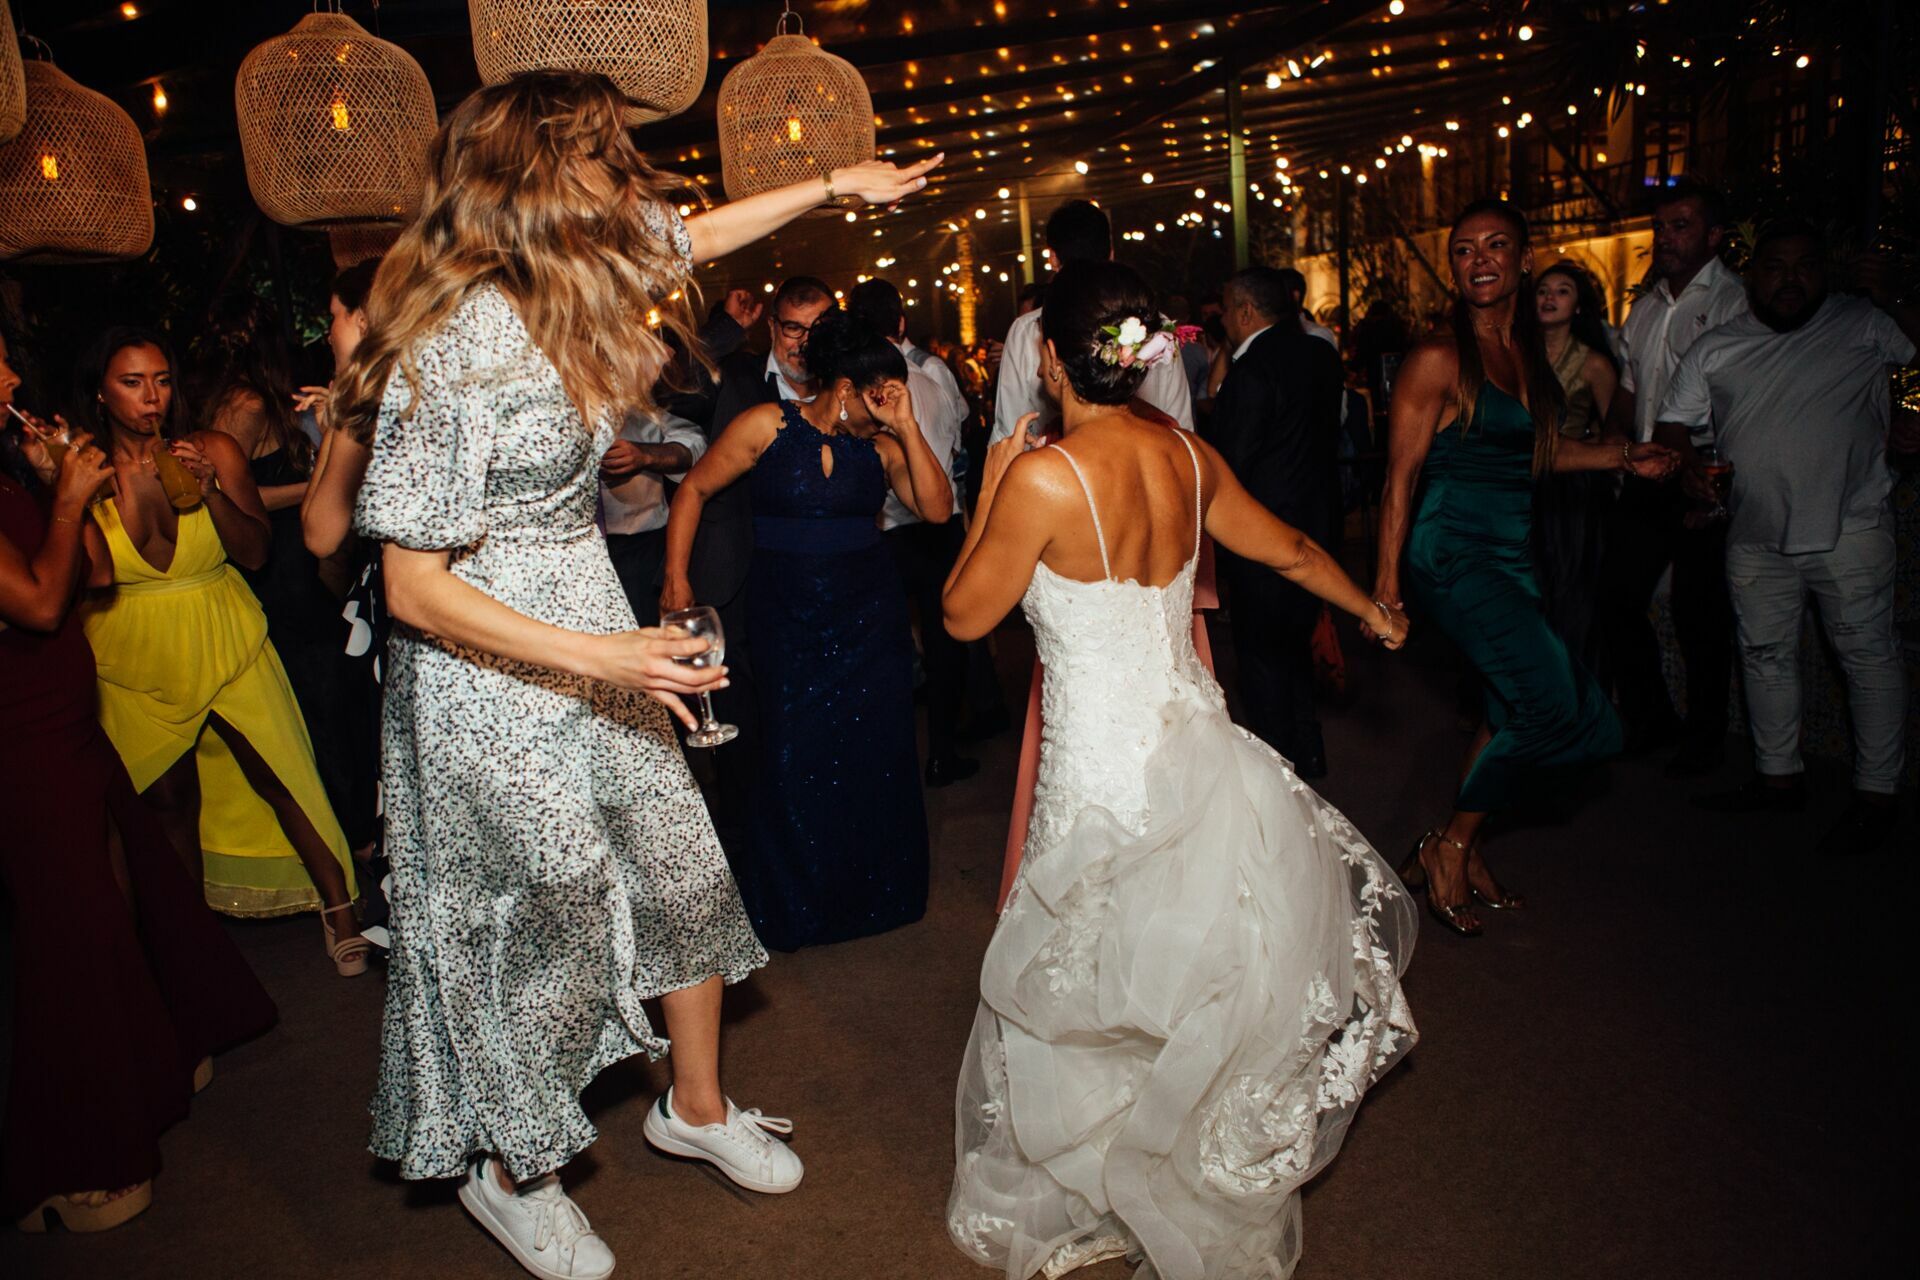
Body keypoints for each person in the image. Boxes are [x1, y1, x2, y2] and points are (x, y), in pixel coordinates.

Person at [335, 70, 940, 1278]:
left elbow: (698, 231)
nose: (632, 180)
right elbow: (408, 585)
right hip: (483, 661)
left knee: (679, 860)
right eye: (607, 157)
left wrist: (837, 182)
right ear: (539, 180)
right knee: (547, 903)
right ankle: (515, 1171)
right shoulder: (448, 339)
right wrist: (599, 651)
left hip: (590, 627)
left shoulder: (575, 280)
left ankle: (694, 1106)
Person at [941, 260, 1416, 1280]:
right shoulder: (1189, 459)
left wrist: (984, 495)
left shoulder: (1041, 479)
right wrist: (1371, 608)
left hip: (1097, 765)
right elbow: (1287, 547)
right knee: (1188, 960)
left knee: (1087, 969)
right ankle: (1167, 1162)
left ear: (1056, 365)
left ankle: (1094, 1174)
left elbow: (963, 614)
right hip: (1191, 738)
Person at [0, 334, 276, 1234]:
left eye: (12, 357)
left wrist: (59, 497)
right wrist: (77, 493)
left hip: (63, 722)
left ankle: (148, 1059)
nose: (10, 377)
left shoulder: (13, 471)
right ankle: (75, 1148)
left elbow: (101, 571)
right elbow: (41, 604)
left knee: (121, 894)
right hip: (19, 736)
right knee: (67, 926)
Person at [1375, 200, 1679, 937]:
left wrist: (1618, 454)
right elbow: (1399, 477)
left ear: (1522, 258)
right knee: (1576, 717)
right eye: (1464, 250)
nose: (1479, 260)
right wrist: (1384, 589)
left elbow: (1532, 454)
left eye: (1495, 246)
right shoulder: (1437, 357)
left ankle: (1463, 844)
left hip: (1514, 549)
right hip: (1452, 551)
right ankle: (1450, 843)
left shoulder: (1527, 354)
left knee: (1508, 708)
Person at [663, 307, 953, 951]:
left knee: (873, 753)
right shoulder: (766, 425)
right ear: (846, 388)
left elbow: (937, 510)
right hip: (785, 615)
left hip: (867, 618)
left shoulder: (880, 446)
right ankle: (797, 902)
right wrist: (676, 580)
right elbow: (692, 491)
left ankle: (876, 897)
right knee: (791, 754)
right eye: (878, 398)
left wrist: (906, 426)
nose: (883, 410)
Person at [72, 327, 362, 964]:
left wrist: (208, 491)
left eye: (162, 380)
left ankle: (341, 912)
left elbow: (256, 552)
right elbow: (85, 579)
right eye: (132, 382)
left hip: (223, 626)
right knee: (169, 802)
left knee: (282, 771)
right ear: (101, 391)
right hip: (134, 647)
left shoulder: (211, 449)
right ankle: (194, 943)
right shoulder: (82, 474)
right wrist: (69, 497)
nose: (152, 396)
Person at [1660, 220, 1917, 854]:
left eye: (1806, 264)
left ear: (1825, 272)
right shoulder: (1717, 346)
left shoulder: (1863, 323)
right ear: (1753, 275)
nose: (1791, 278)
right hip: (1751, 533)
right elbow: (1673, 425)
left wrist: (1899, 299)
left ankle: (1877, 795)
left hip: (1849, 527)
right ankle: (1778, 781)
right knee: (1764, 655)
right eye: (1776, 265)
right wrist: (1690, 470)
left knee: (1867, 658)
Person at [202, 296, 380, 869]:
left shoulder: (262, 401)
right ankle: (347, 837)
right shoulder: (246, 404)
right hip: (275, 568)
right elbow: (235, 495)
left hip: (294, 562)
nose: (323, 336)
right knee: (318, 700)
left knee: (330, 696)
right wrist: (325, 484)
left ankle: (353, 830)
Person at [1599, 179, 1748, 774]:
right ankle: (1652, 718)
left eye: (1680, 225)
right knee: (1615, 597)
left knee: (1698, 611)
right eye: (1660, 226)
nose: (1665, 237)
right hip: (1646, 472)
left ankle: (1705, 734)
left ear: (1714, 236)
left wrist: (1712, 485)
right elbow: (1632, 389)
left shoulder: (1734, 302)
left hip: (1699, 474)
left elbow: (1738, 401)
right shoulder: (1648, 305)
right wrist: (1613, 443)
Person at [685, 275, 839, 852]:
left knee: (802, 727)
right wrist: (725, 329)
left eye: (815, 330)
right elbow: (674, 389)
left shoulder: (841, 394)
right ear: (773, 327)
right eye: (792, 328)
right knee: (740, 739)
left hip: (809, 581)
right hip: (734, 577)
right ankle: (748, 860)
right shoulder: (736, 375)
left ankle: (803, 845)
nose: (802, 342)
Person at [1202, 265, 1347, 778]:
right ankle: (1310, 750)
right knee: (1296, 649)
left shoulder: (1251, 372)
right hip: (1316, 526)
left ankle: (1280, 771)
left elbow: (1229, 464)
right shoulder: (1321, 355)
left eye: (1224, 309)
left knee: (1262, 659)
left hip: (1262, 537)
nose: (1221, 318)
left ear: (1244, 311)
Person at [849, 277, 977, 786]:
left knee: (888, 647)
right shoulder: (932, 378)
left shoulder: (861, 394)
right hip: (937, 530)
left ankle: (890, 758)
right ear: (899, 322)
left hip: (888, 535)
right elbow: (960, 428)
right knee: (947, 643)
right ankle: (942, 751)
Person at [991, 200, 1193, 443]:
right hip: (1156, 472)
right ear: (1111, 253)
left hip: (1052, 475)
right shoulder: (1155, 328)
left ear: (1053, 258)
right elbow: (1182, 429)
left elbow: (1010, 434)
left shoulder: (1029, 329)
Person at [1533, 261, 1623, 669]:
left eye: (1562, 290)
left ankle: (1574, 701)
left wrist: (1587, 446)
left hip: (1571, 495)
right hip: (1520, 485)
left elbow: (1615, 432)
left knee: (1569, 598)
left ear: (1580, 305)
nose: (1549, 297)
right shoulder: (1515, 355)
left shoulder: (1595, 364)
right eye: (1542, 290)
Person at [600, 409, 707, 629]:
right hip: (560, 548)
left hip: (638, 549)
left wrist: (647, 455)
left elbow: (694, 441)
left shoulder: (637, 388)